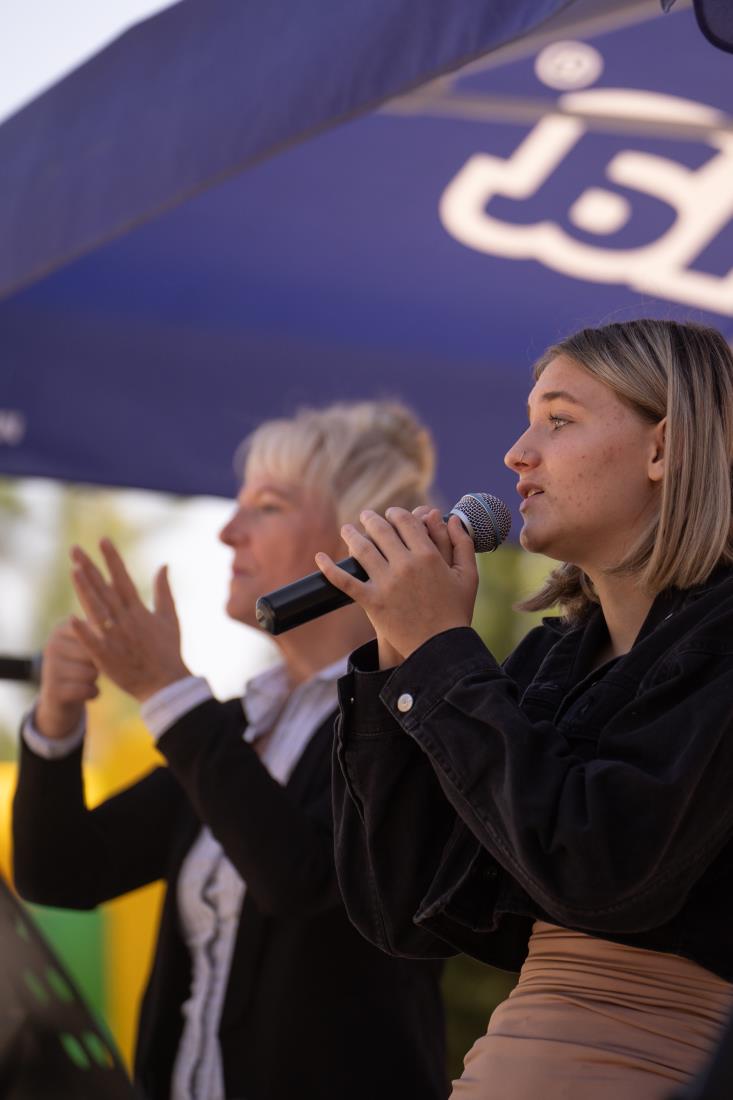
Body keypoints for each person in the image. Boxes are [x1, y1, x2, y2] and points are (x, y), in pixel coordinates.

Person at [318, 319, 733, 1100]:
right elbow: (397, 906)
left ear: (663, 449)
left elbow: (600, 872)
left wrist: (442, 653)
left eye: (558, 420)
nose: (516, 453)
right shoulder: (550, 660)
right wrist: (400, 660)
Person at [12, 401, 447, 1100]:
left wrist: (168, 691)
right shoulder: (237, 725)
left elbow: (304, 886)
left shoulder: (409, 719)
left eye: (267, 506)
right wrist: (56, 725)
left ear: (357, 541)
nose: (226, 531)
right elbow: (62, 873)